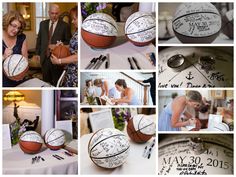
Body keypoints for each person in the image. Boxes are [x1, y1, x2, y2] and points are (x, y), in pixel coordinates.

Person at [36, 3, 71, 86]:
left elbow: (69, 42)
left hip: (57, 58)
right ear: (48, 12)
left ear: (59, 13)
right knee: (45, 82)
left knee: (57, 82)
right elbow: (39, 39)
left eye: (56, 13)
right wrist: (37, 53)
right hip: (44, 58)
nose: (54, 16)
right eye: (52, 13)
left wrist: (59, 45)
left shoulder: (65, 26)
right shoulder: (42, 24)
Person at [50, 6, 78, 87]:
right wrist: (64, 46)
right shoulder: (77, 31)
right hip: (70, 69)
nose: (72, 21)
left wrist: (59, 61)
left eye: (75, 19)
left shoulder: (83, 34)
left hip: (75, 72)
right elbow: (74, 47)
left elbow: (77, 57)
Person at [2, 11, 28, 87]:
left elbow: (25, 60)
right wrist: (3, 56)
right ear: (7, 23)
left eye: (18, 28)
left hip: (17, 77)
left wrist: (22, 73)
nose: (16, 30)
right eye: (14, 26)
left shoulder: (22, 37)